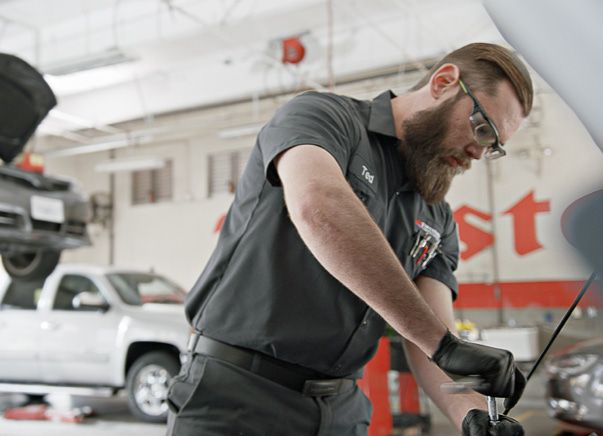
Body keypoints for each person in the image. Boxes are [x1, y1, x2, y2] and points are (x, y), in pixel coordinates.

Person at [166, 43, 532, 436]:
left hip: (341, 412)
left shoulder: (437, 216)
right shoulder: (324, 118)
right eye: (482, 129)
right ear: (444, 83)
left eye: (493, 147)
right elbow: (317, 206)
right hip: (238, 398)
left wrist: (471, 415)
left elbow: (433, 339)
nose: (479, 152)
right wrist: (443, 345)